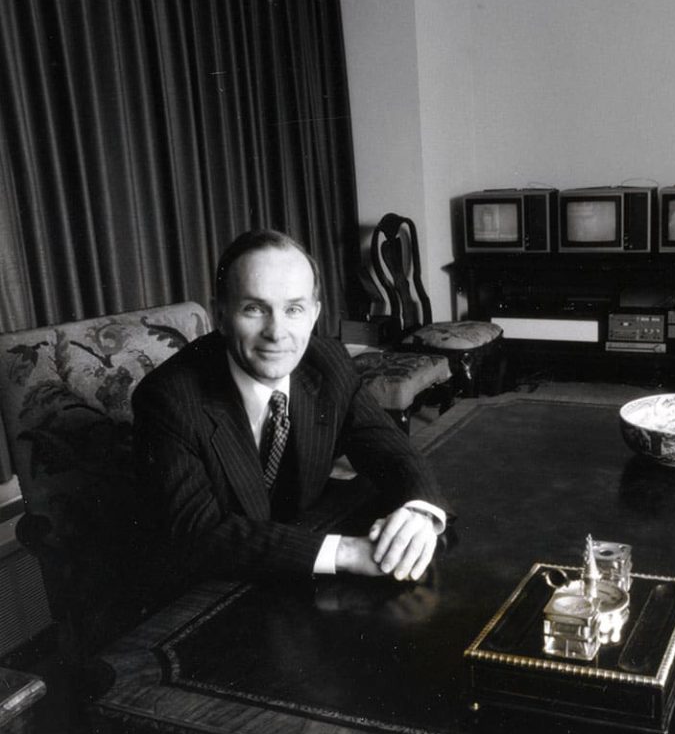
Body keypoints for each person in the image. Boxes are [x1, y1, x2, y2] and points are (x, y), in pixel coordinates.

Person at [131, 229, 449, 589]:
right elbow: (198, 534)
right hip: (204, 593)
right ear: (221, 314)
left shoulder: (326, 362)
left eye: (293, 309)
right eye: (254, 309)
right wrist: (346, 553)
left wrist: (418, 511)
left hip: (294, 567)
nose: (277, 332)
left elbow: (388, 449)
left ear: (314, 315)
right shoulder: (169, 398)